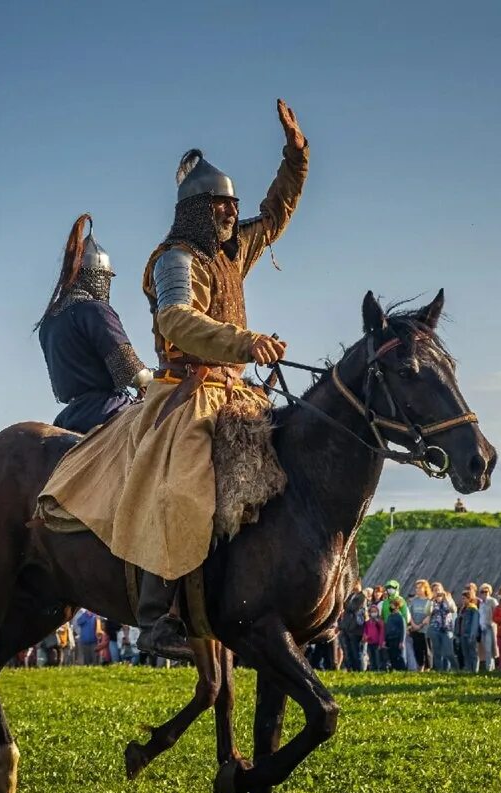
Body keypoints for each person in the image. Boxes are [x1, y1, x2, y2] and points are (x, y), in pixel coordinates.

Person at [39, 100, 309, 661]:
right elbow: (176, 321)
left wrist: (296, 153)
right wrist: (243, 341)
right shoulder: (174, 259)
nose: (232, 213)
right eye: (221, 205)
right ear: (196, 208)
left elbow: (278, 210)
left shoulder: (235, 251)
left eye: (234, 204)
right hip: (186, 392)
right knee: (180, 484)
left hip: (239, 393)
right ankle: (157, 615)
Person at [37, 215, 152, 434]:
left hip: (69, 415)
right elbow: (131, 370)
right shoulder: (95, 310)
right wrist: (157, 377)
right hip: (106, 409)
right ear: (98, 276)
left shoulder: (49, 321)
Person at [427, 583, 458, 672]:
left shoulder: (448, 598)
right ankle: (440, 671)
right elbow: (427, 612)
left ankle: (455, 669)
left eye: (439, 589)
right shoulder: (432, 601)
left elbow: (453, 609)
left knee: (448, 652)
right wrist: (431, 601)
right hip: (435, 628)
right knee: (437, 652)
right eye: (435, 590)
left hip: (447, 628)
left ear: (442, 589)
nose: (437, 591)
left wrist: (446, 599)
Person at [338, 580, 368, 672]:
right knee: (349, 650)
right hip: (347, 627)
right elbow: (343, 605)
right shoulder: (350, 596)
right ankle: (352, 668)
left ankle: (359, 669)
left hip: (356, 628)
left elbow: (353, 607)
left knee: (357, 651)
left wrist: (347, 605)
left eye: (356, 584)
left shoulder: (362, 596)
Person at [381, 580, 410, 671]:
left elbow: (404, 616)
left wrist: (403, 635)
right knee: (391, 653)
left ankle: (402, 669)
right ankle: (394, 668)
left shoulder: (401, 600)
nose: (389, 589)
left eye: (392, 588)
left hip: (398, 632)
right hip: (389, 631)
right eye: (388, 588)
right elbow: (383, 615)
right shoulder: (385, 602)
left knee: (400, 653)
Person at [407, 580, 434, 672]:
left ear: (425, 588)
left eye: (419, 587)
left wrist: (421, 625)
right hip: (415, 628)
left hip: (425, 629)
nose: (417, 589)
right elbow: (409, 614)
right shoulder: (414, 601)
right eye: (416, 588)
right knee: (417, 649)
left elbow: (429, 615)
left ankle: (428, 667)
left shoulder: (429, 601)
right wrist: (414, 625)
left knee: (427, 649)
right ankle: (420, 666)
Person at [458, 590, 482, 673]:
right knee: (466, 653)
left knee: (473, 653)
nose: (463, 600)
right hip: (463, 634)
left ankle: (475, 670)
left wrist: (473, 635)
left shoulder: (473, 609)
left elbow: (475, 623)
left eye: (464, 598)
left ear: (469, 599)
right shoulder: (463, 609)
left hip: (470, 634)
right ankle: (468, 669)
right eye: (462, 599)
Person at [477, 584, 498, 671]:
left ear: (489, 592)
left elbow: (496, 613)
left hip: (490, 627)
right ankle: (490, 667)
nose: (484, 593)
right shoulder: (481, 603)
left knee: (490, 649)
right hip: (482, 628)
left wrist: (492, 623)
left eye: (486, 591)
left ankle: (489, 668)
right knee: (486, 649)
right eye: (482, 592)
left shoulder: (492, 601)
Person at [362, 605, 386, 672]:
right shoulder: (367, 623)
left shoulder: (380, 622)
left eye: (375, 611)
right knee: (371, 660)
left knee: (378, 660)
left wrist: (380, 644)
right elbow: (365, 632)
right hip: (370, 643)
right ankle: (373, 672)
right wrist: (365, 637)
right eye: (372, 611)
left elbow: (382, 633)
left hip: (377, 644)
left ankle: (379, 672)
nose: (373, 613)